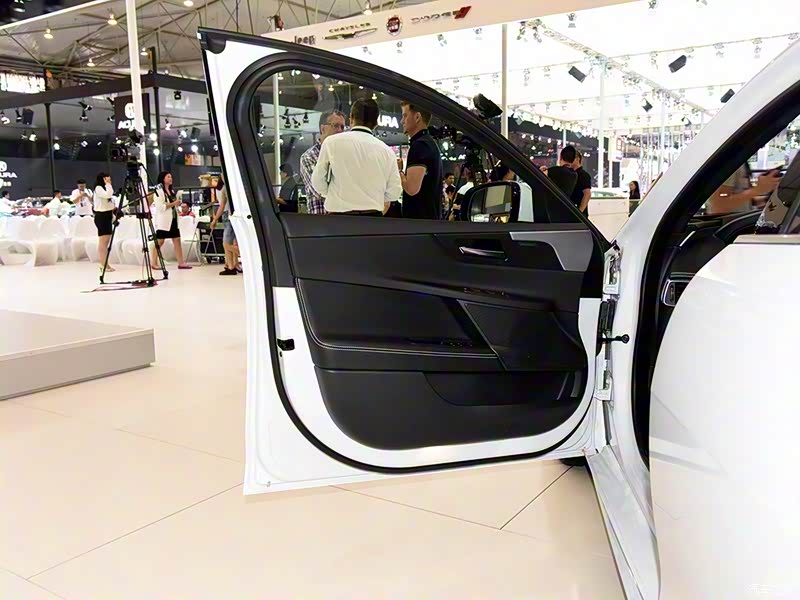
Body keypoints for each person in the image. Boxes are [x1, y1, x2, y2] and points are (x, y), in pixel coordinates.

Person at [311, 98, 402, 216]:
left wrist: (333, 194)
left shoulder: (331, 143)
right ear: (376, 123)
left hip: (338, 217)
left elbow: (318, 182)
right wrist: (375, 198)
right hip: (373, 217)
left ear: (351, 118)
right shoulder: (387, 152)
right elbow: (394, 192)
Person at [398, 101, 443, 219]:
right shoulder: (428, 143)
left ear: (417, 117)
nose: (402, 121)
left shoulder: (420, 145)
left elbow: (411, 188)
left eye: (405, 116)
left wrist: (399, 171)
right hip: (428, 221)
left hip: (419, 223)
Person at [299, 109, 346, 214]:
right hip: (321, 219)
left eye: (342, 127)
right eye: (335, 125)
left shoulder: (345, 155)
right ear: (323, 128)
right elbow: (319, 191)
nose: (340, 130)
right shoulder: (309, 157)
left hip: (345, 219)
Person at [151, 170, 191, 270]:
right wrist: (174, 203)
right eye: (168, 177)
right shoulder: (158, 191)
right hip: (164, 221)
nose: (170, 179)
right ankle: (154, 262)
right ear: (163, 178)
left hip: (173, 219)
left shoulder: (171, 191)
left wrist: (176, 203)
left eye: (171, 177)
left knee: (177, 240)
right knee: (160, 241)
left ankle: (181, 262)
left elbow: (171, 204)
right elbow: (161, 207)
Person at [706, 165, 781, 214]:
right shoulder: (731, 162)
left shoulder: (740, 162)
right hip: (729, 228)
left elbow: (741, 200)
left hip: (739, 223)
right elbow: (717, 206)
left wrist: (766, 199)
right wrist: (757, 190)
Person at [209, 173, 240, 276]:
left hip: (229, 216)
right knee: (230, 242)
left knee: (226, 243)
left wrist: (215, 219)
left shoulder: (226, 189)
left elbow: (222, 205)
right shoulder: (232, 187)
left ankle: (243, 256)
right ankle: (231, 266)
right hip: (233, 215)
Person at [93, 172, 117, 272]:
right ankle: (103, 264)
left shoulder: (105, 188)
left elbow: (109, 200)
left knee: (106, 241)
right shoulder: (98, 188)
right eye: (107, 179)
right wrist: (108, 184)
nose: (110, 181)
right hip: (101, 216)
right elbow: (108, 194)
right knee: (103, 241)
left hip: (107, 216)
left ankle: (105, 263)